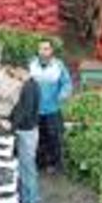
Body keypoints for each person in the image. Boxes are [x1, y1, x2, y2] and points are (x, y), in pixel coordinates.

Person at [29, 40, 72, 174]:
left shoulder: (58, 65)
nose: (44, 51)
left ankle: (53, 163)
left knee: (54, 137)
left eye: (46, 49)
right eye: (41, 49)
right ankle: (39, 163)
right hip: (35, 109)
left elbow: (66, 83)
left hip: (52, 108)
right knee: (37, 137)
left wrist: (63, 94)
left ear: (51, 51)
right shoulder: (31, 64)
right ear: (38, 51)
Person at [7, 66, 41, 203]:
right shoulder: (30, 85)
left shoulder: (29, 87)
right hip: (28, 131)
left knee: (28, 169)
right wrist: (10, 118)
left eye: (14, 73)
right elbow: (19, 107)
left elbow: (25, 112)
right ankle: (26, 200)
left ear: (20, 69)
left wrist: (12, 125)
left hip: (27, 133)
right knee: (24, 167)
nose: (14, 76)